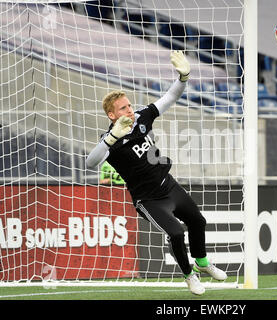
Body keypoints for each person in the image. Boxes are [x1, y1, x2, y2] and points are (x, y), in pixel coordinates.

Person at [86, 51, 227, 295]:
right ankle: (189, 275)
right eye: (123, 108)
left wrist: (183, 77)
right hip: (148, 200)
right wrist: (111, 138)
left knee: (198, 221)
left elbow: (170, 97)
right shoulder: (109, 141)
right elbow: (90, 162)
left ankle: (202, 264)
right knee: (175, 232)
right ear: (112, 115)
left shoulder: (141, 117)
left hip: (169, 185)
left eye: (129, 105)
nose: (130, 110)